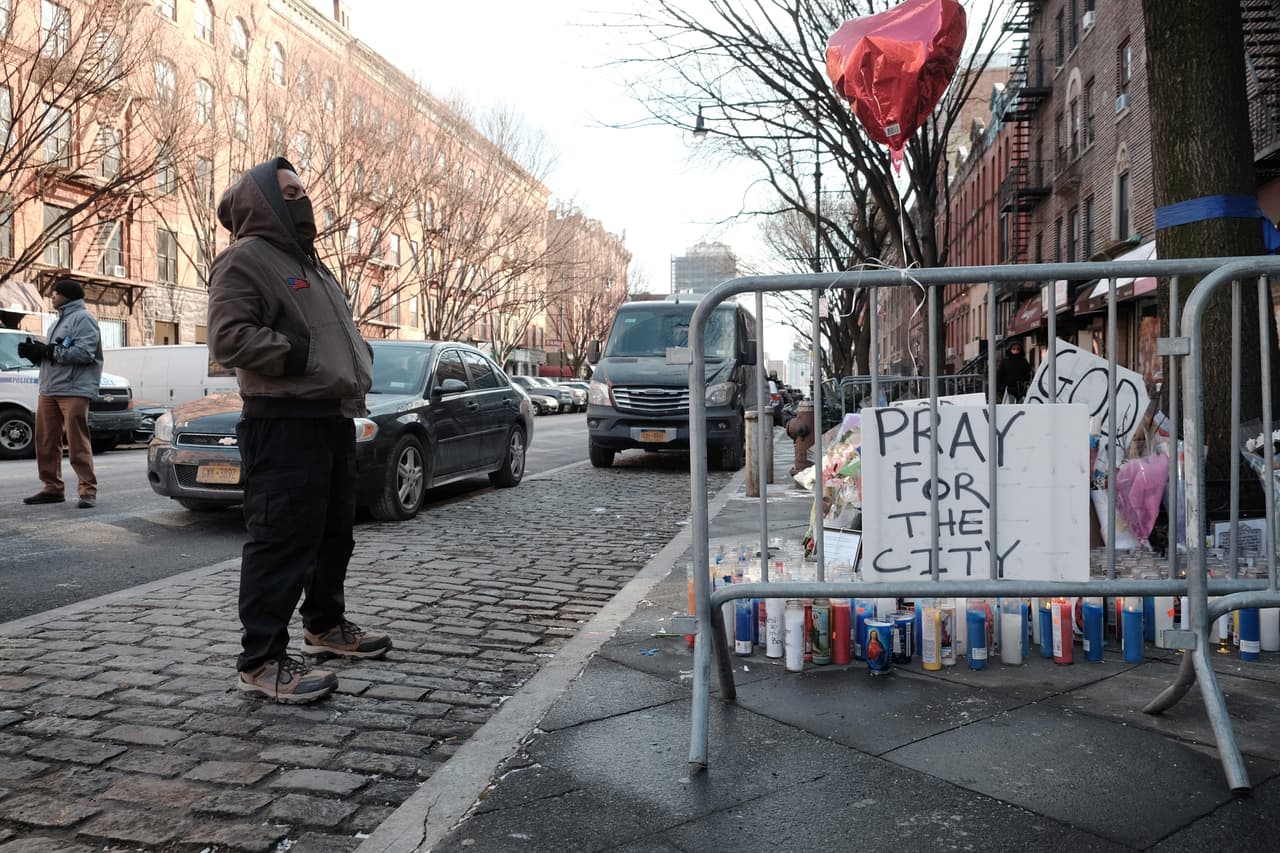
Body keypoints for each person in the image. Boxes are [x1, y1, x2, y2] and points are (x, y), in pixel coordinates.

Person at [208, 156, 390, 705]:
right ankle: (261, 660)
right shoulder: (245, 259)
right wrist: (306, 356)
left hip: (329, 417)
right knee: (281, 542)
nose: (302, 198)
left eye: (302, 190)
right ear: (262, 201)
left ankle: (324, 626)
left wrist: (353, 357)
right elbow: (229, 338)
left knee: (333, 535)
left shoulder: (312, 265)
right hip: (282, 421)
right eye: (289, 192)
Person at [19, 279, 102, 509]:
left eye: (56, 293)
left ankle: (87, 491)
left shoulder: (83, 319)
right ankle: (52, 488)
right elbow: (58, 353)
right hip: (49, 388)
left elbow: (84, 353)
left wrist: (48, 350)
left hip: (74, 389)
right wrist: (36, 353)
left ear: (68, 296)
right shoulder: (58, 322)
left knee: (77, 441)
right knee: (45, 441)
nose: (52, 297)